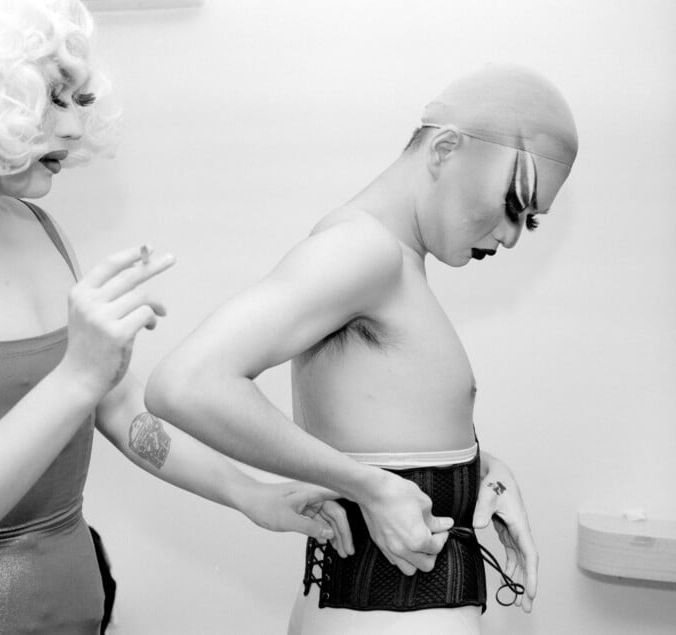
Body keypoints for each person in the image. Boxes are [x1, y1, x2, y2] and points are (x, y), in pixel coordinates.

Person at [0, 1, 352, 633]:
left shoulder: (33, 223)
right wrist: (76, 375)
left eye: (80, 99)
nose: (75, 129)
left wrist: (249, 493)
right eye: (51, 98)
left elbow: (119, 407)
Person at [145, 63, 578, 634]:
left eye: (531, 222)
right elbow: (185, 385)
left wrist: (486, 476)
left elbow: (388, 439)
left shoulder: (392, 260)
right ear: (445, 149)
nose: (512, 235)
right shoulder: (362, 250)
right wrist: (368, 487)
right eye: (512, 205)